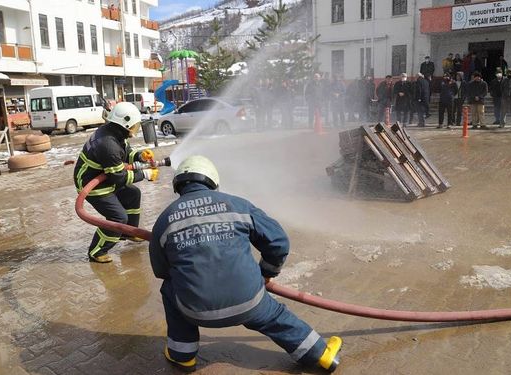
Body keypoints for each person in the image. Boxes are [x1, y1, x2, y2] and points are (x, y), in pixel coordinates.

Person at [149, 155, 343, 372]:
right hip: (250, 304)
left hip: (194, 311)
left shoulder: (165, 219)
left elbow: (161, 270)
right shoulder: (237, 205)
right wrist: (266, 272)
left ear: (177, 186)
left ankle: (182, 356)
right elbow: (278, 241)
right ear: (213, 181)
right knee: (276, 317)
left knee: (169, 288)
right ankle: (321, 355)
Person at [73, 102, 158, 263]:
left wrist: (139, 156)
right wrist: (145, 174)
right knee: (118, 217)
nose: (136, 128)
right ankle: (97, 251)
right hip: (92, 184)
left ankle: (129, 232)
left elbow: (125, 153)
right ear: (126, 124)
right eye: (134, 125)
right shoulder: (108, 144)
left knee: (133, 194)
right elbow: (119, 177)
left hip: (104, 176)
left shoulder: (115, 133)